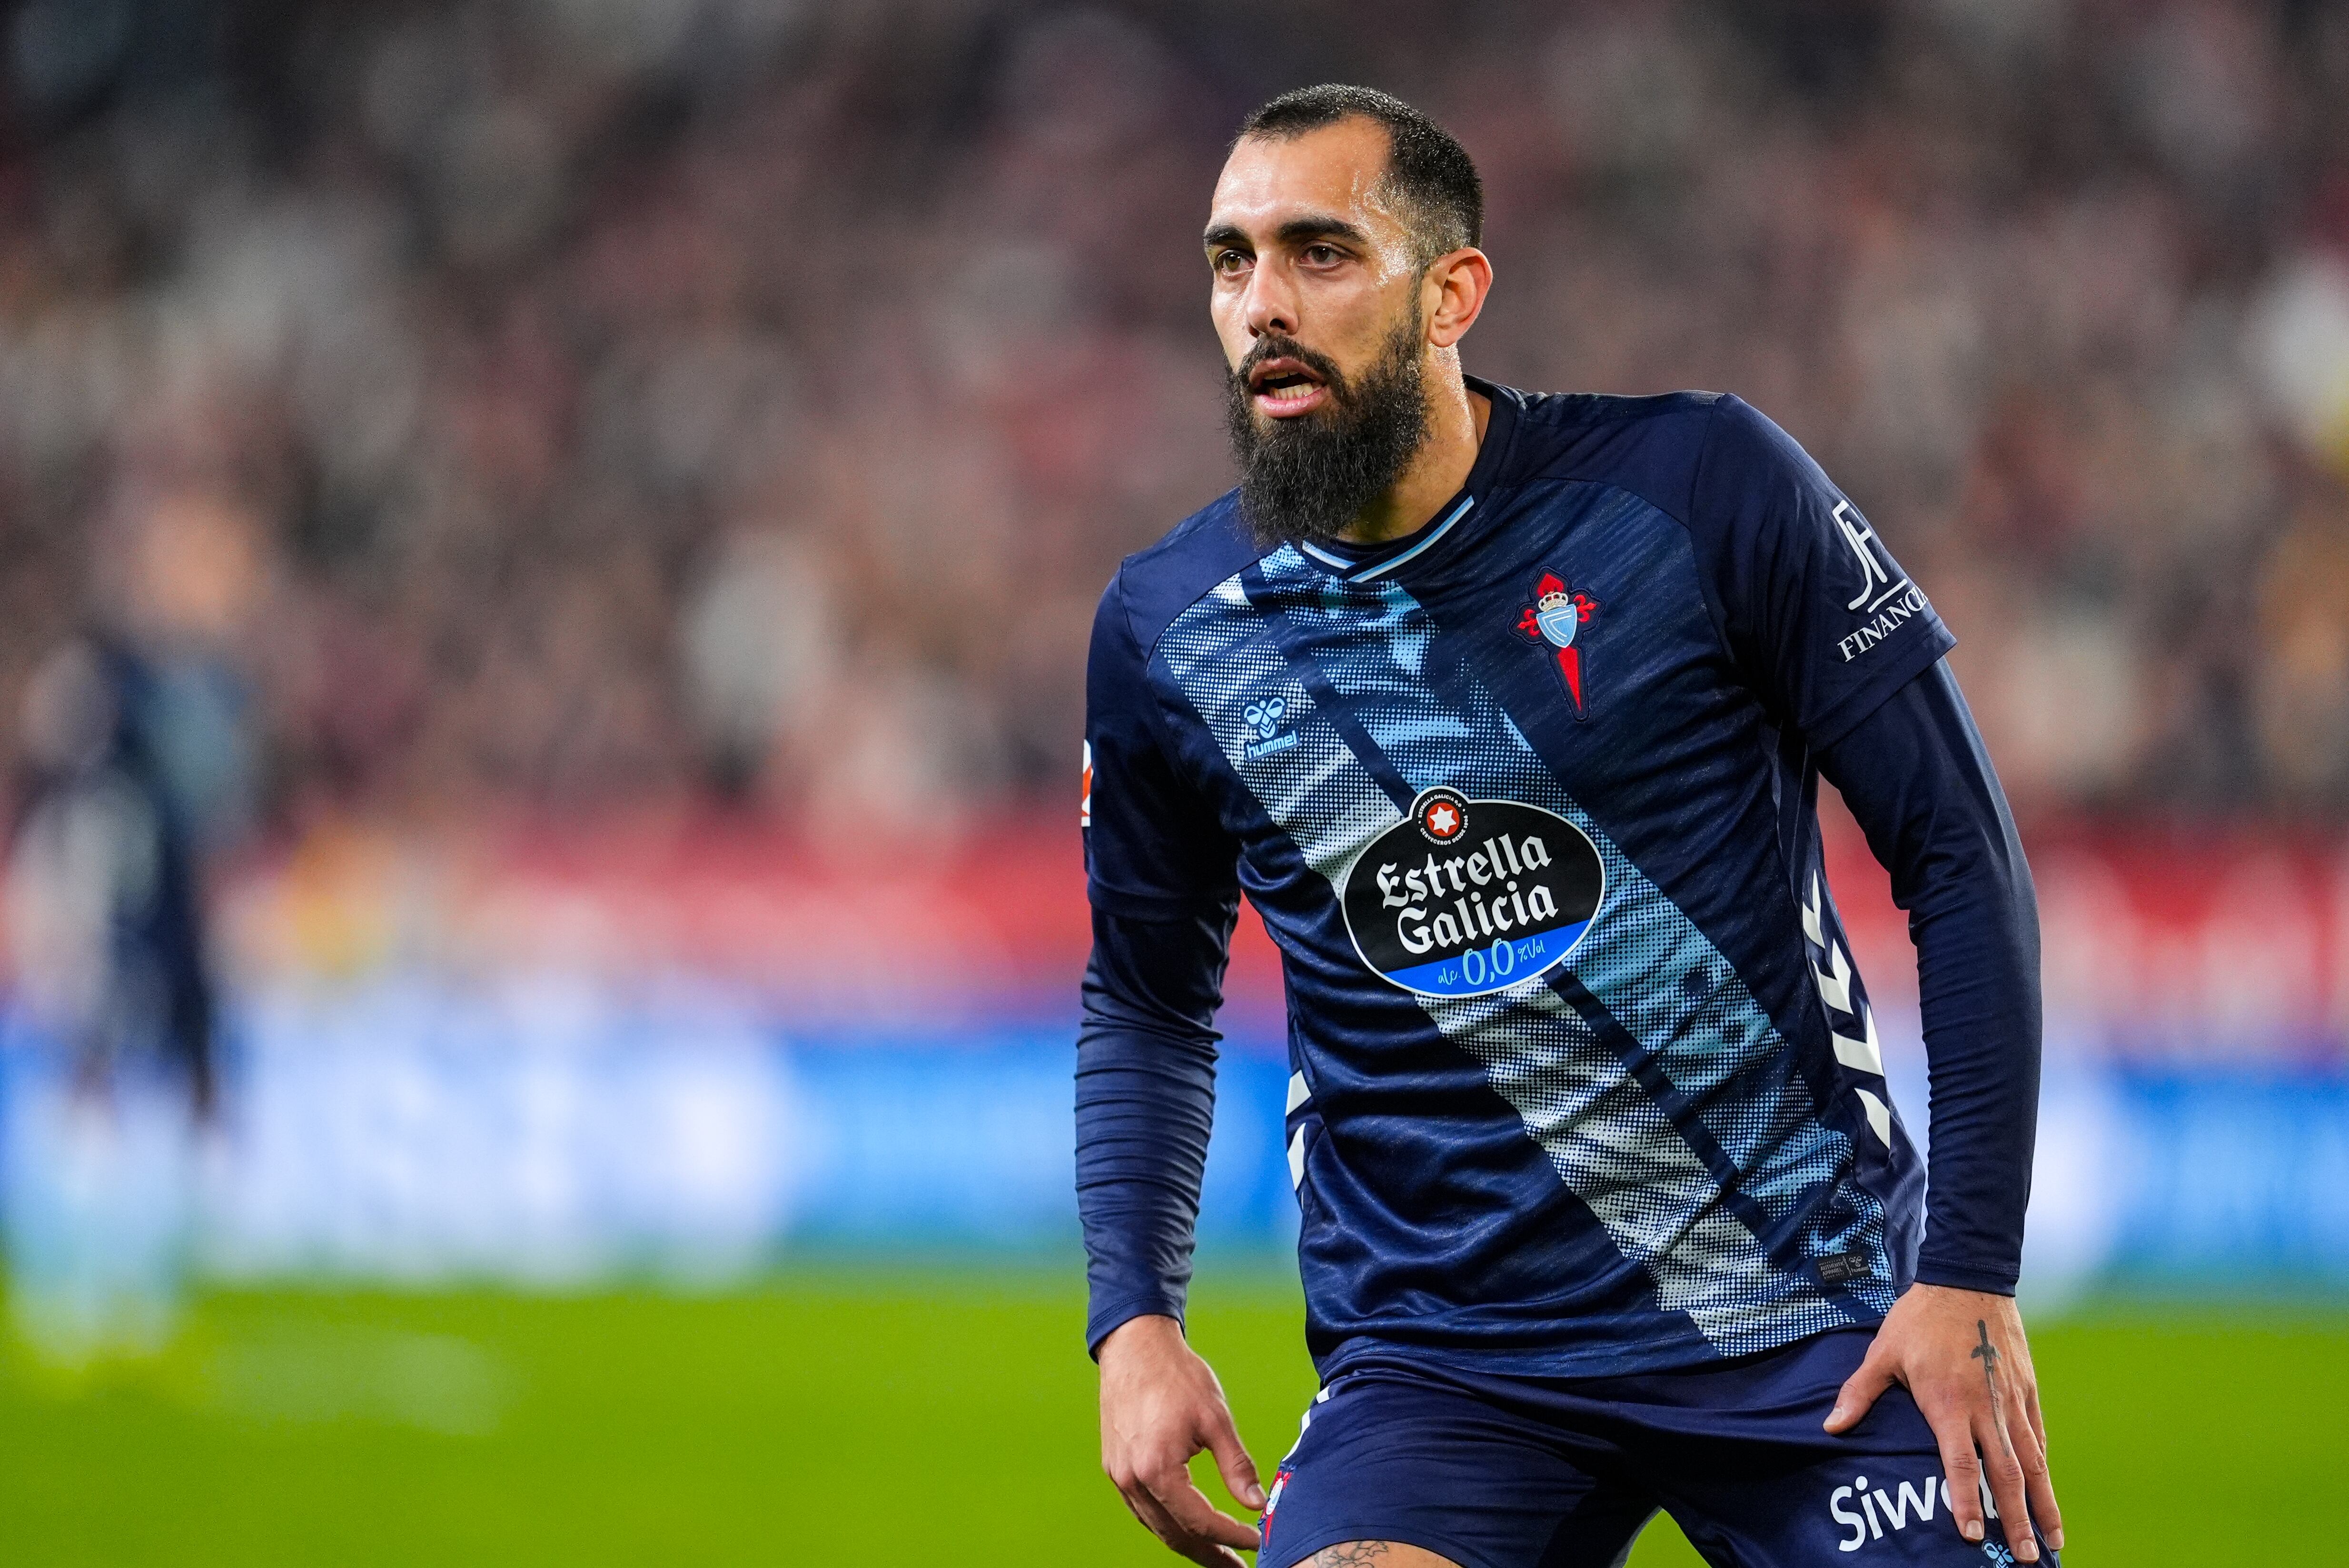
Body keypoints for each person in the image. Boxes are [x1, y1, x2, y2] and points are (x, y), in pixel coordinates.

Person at [1076, 86, 2060, 1568]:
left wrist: (1973, 1273)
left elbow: (1962, 862)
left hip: (1807, 1317)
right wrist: (1135, 1323)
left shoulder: (1699, 492)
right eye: (1232, 260)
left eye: (1321, 253)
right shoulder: (1172, 632)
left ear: (1453, 292)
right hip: (1448, 1364)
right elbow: (1147, 997)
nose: (1263, 303)